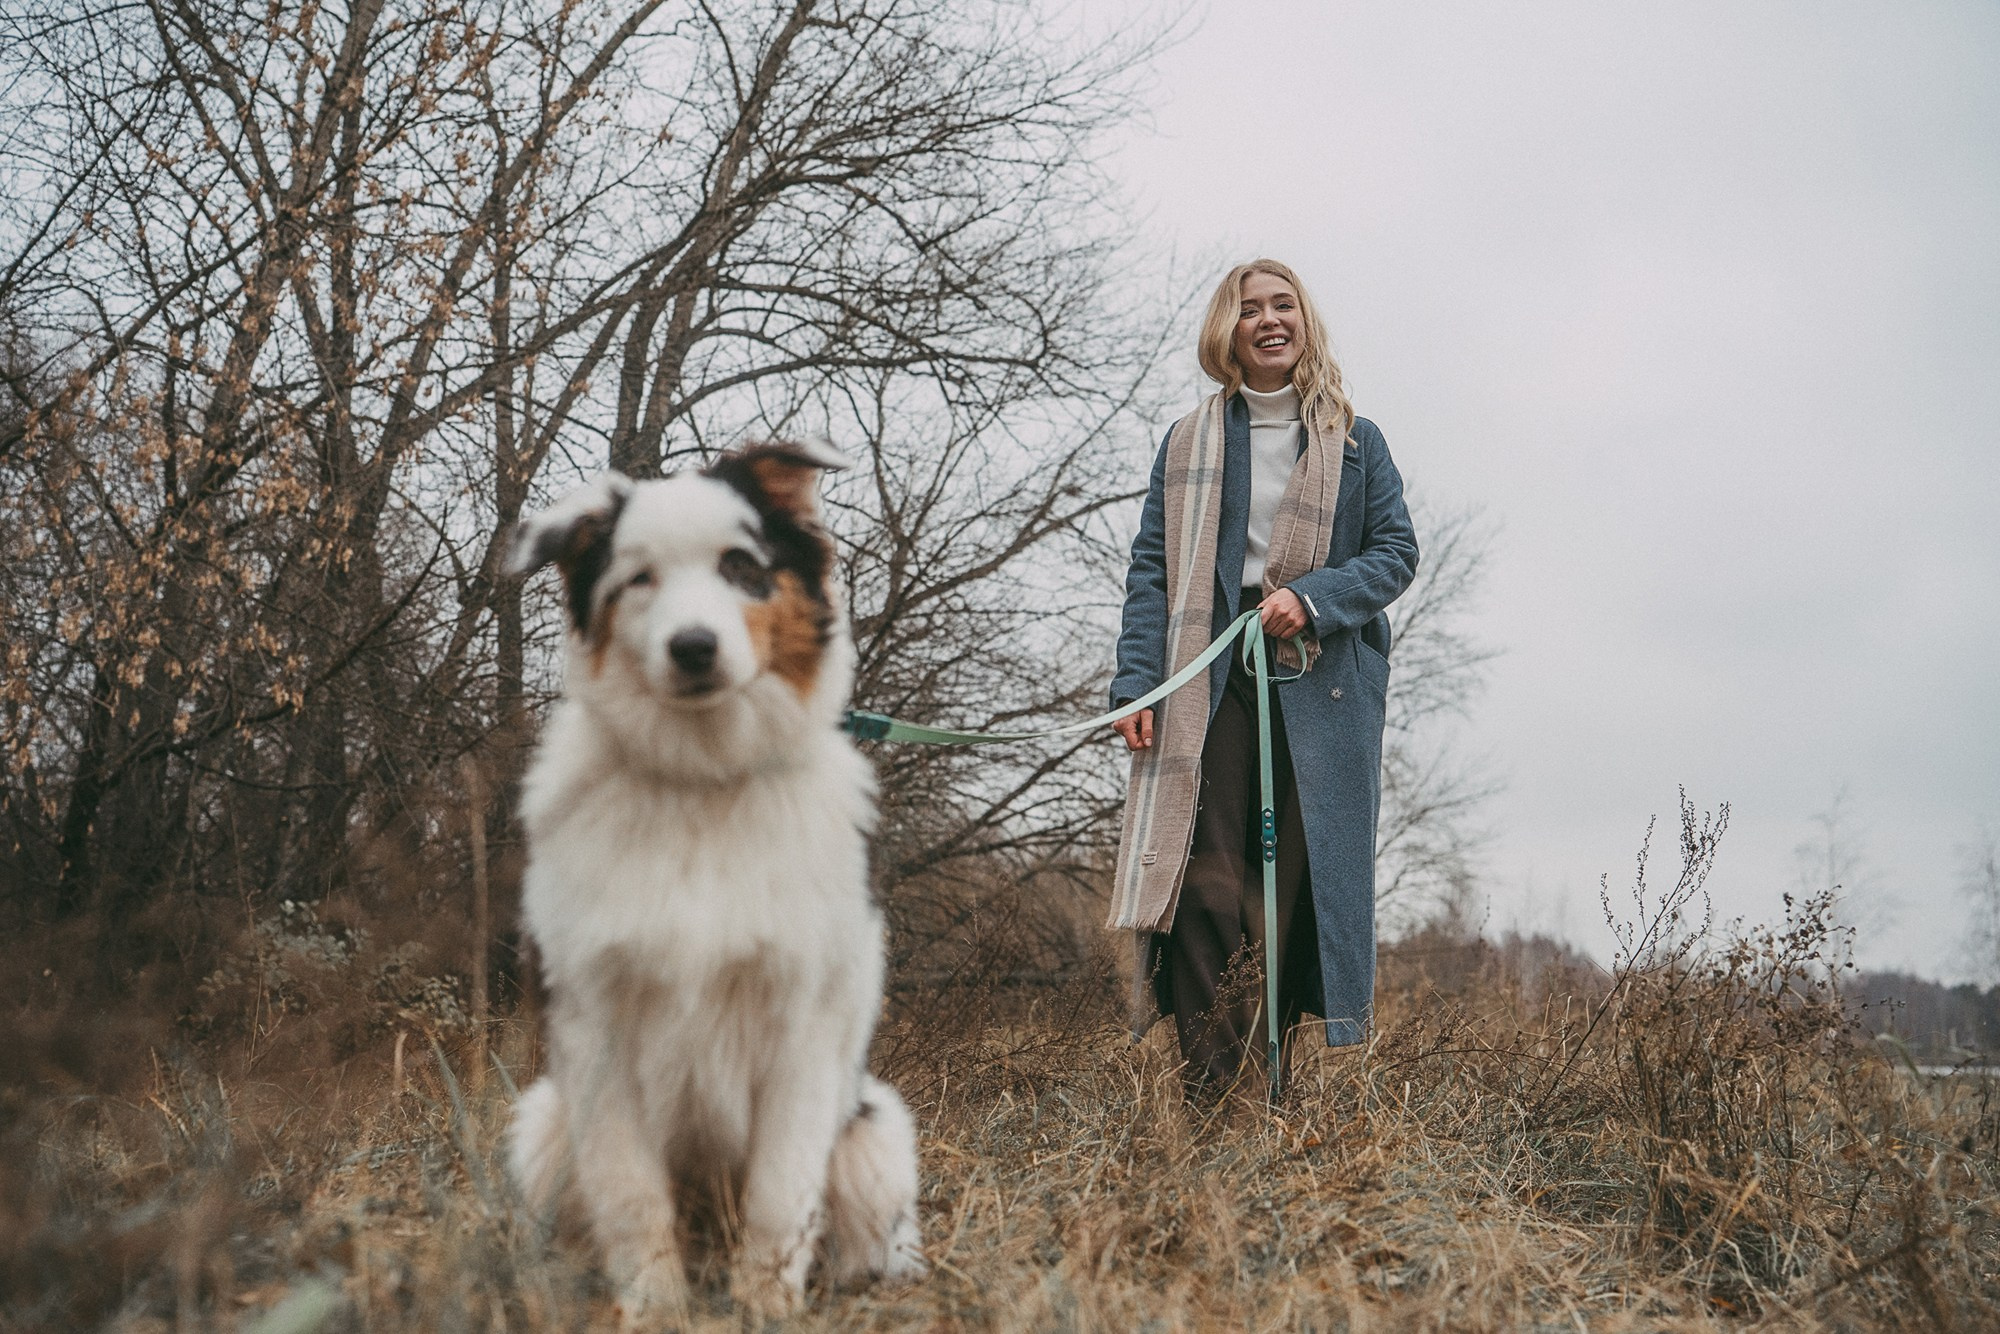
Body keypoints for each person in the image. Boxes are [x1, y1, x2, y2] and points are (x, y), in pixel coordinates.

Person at [1107, 259, 1418, 1103]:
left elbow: (1395, 554)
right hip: (1208, 675)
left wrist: (1312, 599)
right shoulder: (1188, 441)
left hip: (1317, 680)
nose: (1270, 320)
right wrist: (1136, 686)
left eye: (1285, 306)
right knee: (1205, 876)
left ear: (1304, 323)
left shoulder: (1357, 440)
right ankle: (1210, 1093)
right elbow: (1152, 572)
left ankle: (1268, 1091)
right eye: (1252, 310)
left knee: (1288, 885)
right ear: (1228, 330)